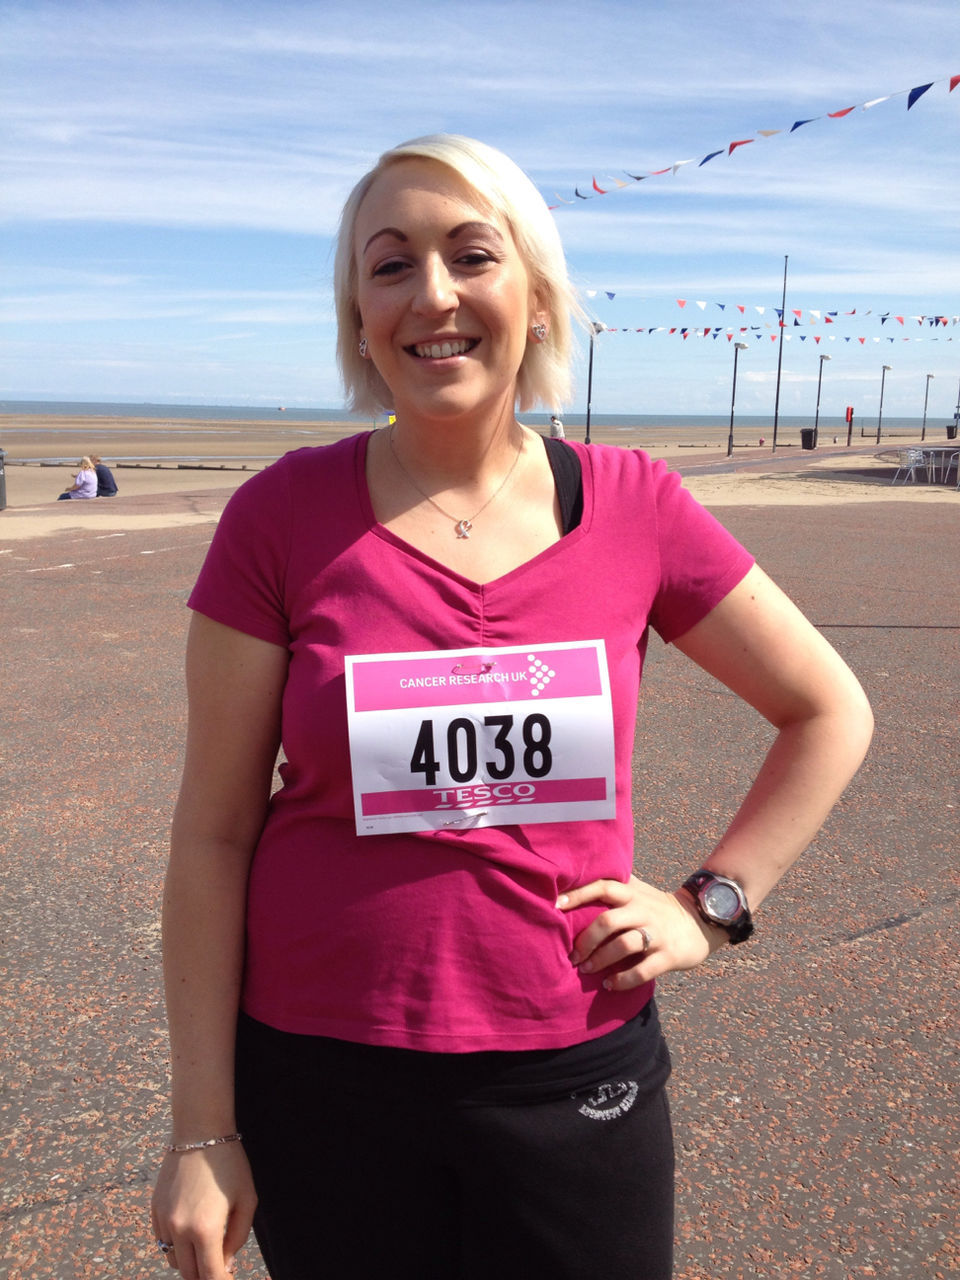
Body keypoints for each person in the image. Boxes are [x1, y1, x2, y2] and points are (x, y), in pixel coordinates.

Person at [150, 134, 873, 1280]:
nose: (433, 293)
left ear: (534, 292)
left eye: (471, 253)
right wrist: (203, 1126)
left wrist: (712, 905)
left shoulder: (636, 504)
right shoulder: (279, 516)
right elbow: (214, 830)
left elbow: (828, 707)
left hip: (572, 1065)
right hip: (319, 1074)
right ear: (358, 314)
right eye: (390, 265)